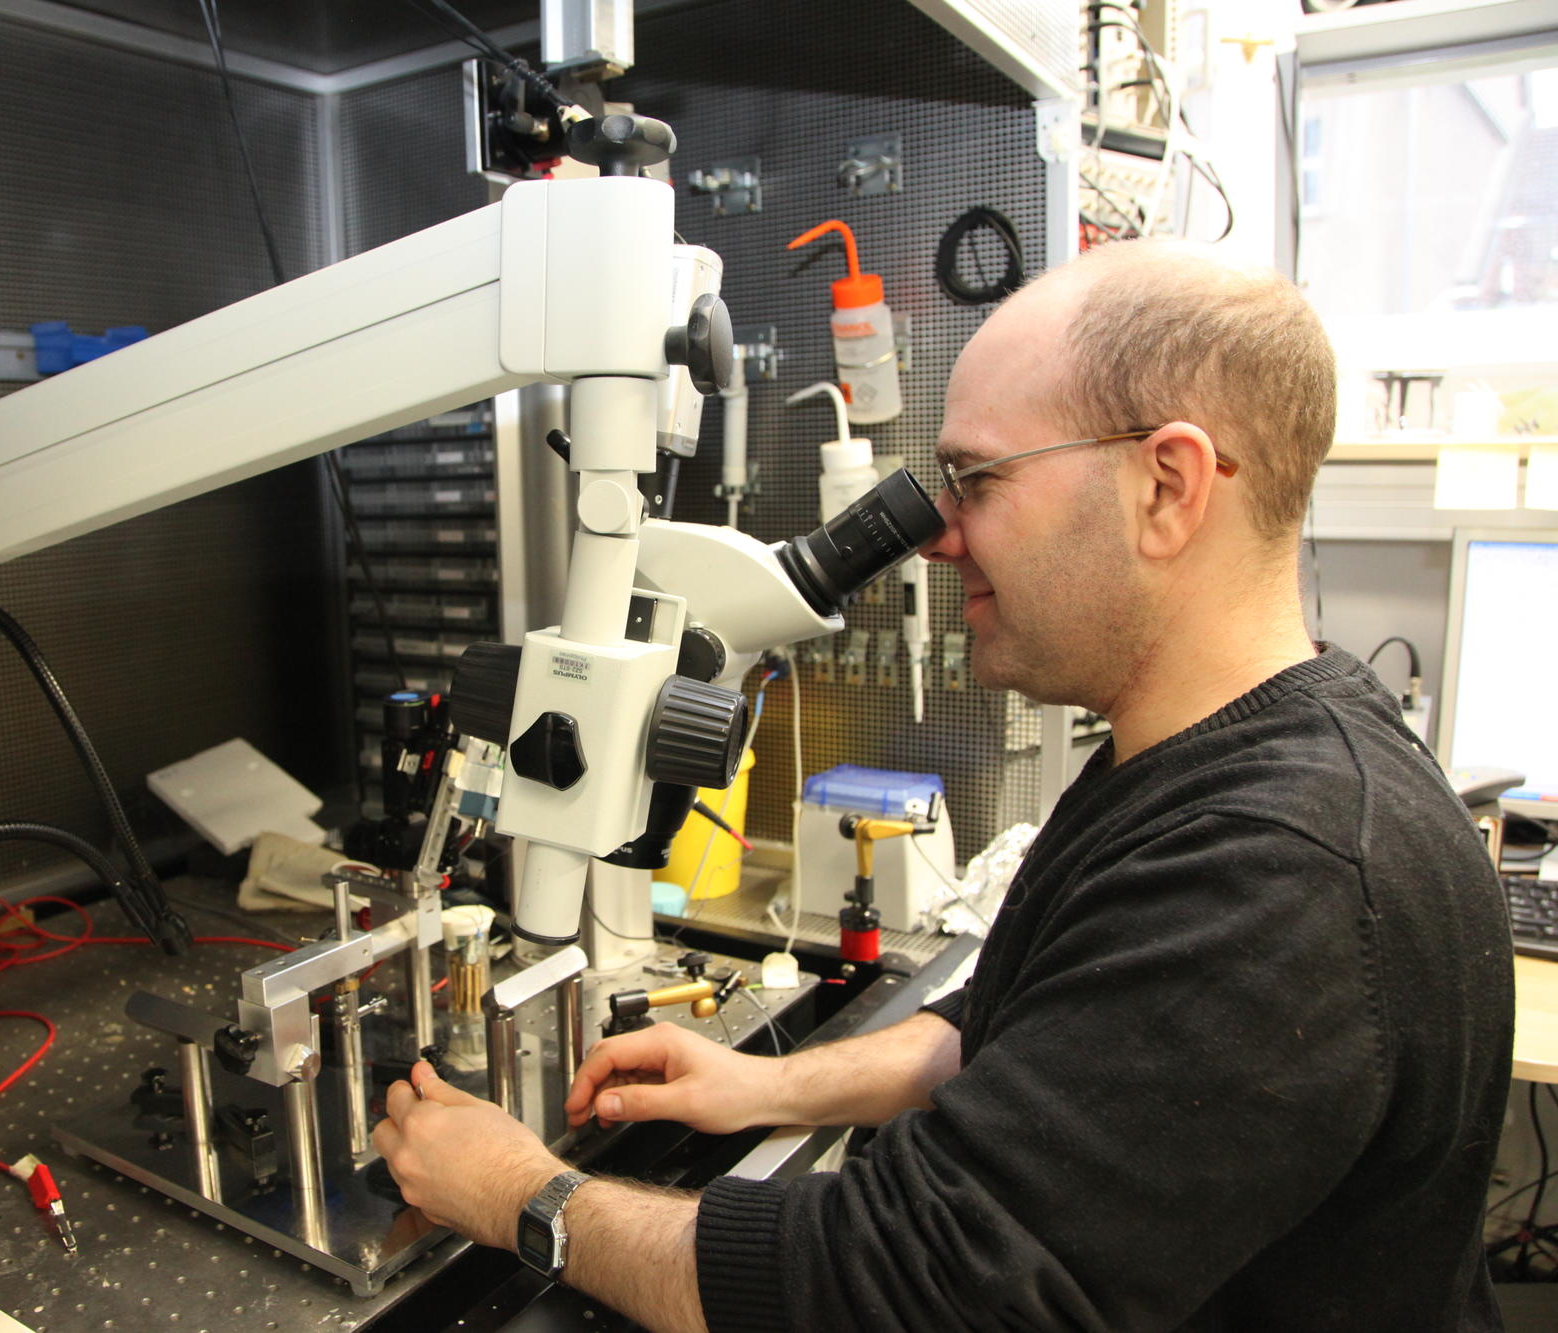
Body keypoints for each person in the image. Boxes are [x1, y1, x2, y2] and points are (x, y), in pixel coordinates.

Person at [373, 239, 1514, 1332]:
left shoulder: (1280, 872)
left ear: (1166, 487)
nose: (937, 537)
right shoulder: (1202, 753)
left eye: (974, 480)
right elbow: (1030, 1027)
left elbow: (896, 1295)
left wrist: (527, 1197)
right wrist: (767, 1086)